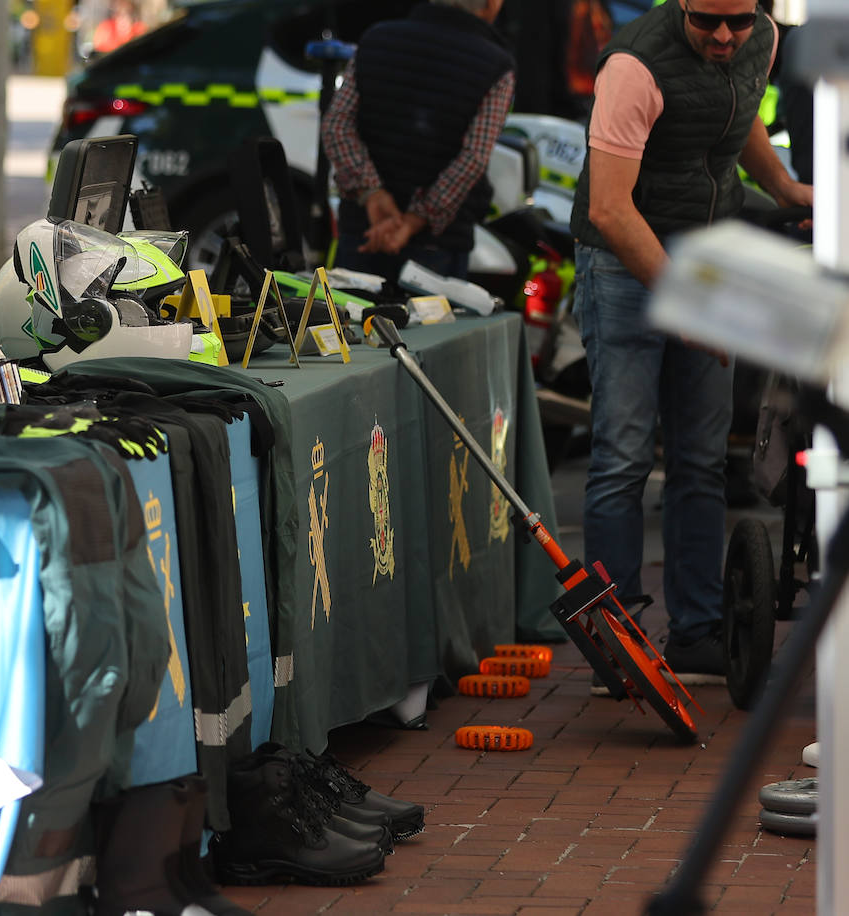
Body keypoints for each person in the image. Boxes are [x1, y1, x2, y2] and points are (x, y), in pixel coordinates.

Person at [569, 0, 812, 686]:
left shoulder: (758, 39)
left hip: (704, 256)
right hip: (622, 260)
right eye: (707, 20)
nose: (724, 35)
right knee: (621, 454)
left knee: (702, 459)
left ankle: (698, 632)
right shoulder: (635, 64)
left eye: (737, 19)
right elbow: (609, 210)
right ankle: (615, 641)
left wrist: (785, 187)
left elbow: (739, 121)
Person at [320, 0, 513, 282]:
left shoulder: (376, 38)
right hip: (438, 247)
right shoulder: (497, 65)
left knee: (350, 322)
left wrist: (372, 192)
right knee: (436, 327)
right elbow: (473, 157)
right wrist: (414, 219)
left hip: (363, 230)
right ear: (491, 5)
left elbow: (336, 126)